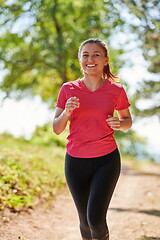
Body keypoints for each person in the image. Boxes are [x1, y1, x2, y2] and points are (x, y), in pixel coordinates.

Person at [53, 38, 132, 240]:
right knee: (85, 222)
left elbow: (127, 120)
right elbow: (57, 128)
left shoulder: (117, 90)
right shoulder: (68, 89)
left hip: (106, 159)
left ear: (105, 60)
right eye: (85, 55)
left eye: (96, 54)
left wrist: (119, 123)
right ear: (80, 60)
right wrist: (67, 113)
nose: (90, 59)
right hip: (75, 161)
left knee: (95, 219)